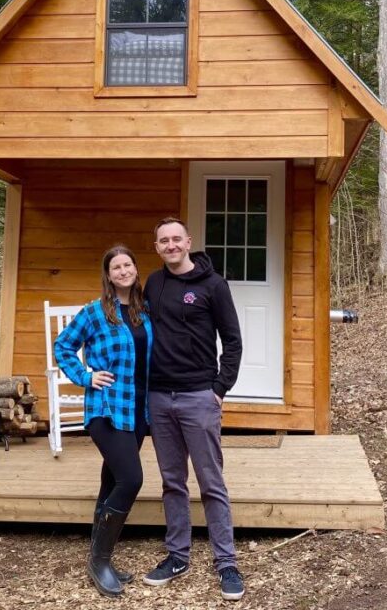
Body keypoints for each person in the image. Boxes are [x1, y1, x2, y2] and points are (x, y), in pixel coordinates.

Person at [142, 217, 245, 601]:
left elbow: (232, 341)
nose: (170, 245)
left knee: (211, 482)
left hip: (199, 396)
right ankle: (177, 555)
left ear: (189, 242)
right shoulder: (154, 283)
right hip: (159, 397)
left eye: (176, 239)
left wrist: (219, 388)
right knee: (172, 481)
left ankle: (227, 562)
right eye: (163, 240)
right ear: (157, 247)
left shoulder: (213, 285)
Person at [53, 245, 154, 598]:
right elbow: (63, 346)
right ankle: (100, 560)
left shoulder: (145, 311)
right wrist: (84, 376)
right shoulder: (95, 313)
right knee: (131, 479)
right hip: (107, 409)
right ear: (108, 275)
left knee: (111, 480)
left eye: (128, 264)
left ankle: (98, 557)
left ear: (136, 270)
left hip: (139, 410)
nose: (123, 271)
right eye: (116, 267)